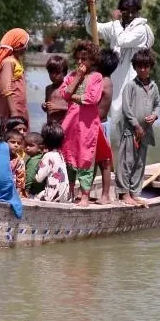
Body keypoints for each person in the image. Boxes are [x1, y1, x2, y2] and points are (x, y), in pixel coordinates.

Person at [86, 0, 154, 135]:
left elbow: (123, 40)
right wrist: (90, 10)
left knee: (131, 125)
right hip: (115, 83)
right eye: (125, 10)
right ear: (120, 10)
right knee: (116, 125)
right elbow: (93, 30)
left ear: (138, 11)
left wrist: (115, 21)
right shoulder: (115, 26)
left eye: (133, 11)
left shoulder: (141, 29)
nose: (129, 14)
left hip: (133, 83)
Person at [116, 48, 160, 207]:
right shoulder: (130, 86)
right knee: (127, 162)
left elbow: (158, 105)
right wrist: (136, 125)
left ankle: (135, 193)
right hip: (131, 131)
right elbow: (126, 109)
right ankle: (124, 193)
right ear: (135, 67)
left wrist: (155, 115)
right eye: (140, 66)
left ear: (150, 67)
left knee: (140, 163)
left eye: (146, 66)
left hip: (146, 132)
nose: (143, 69)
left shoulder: (154, 87)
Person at [60, 40, 103, 207]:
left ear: (92, 60)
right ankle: (70, 191)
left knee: (85, 158)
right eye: (77, 58)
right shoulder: (72, 76)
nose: (80, 62)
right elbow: (64, 93)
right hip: (70, 124)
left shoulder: (96, 77)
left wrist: (73, 96)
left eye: (84, 59)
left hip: (88, 125)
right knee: (68, 155)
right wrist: (77, 77)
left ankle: (85, 195)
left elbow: (92, 98)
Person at [0, 28, 30, 127]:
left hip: (19, 107)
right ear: (19, 44)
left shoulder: (16, 60)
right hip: (12, 110)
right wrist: (14, 113)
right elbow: (6, 89)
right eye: (26, 43)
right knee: (12, 137)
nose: (27, 46)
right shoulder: (8, 62)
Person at [94, 48, 119, 204]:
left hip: (100, 125)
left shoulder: (104, 82)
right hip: (96, 124)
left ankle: (105, 195)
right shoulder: (105, 80)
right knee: (92, 160)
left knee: (104, 161)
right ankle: (87, 191)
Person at [34, 122, 69, 203]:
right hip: (64, 195)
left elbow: (39, 178)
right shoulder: (60, 155)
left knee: (34, 197)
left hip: (53, 195)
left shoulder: (48, 156)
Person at [41, 54, 69, 126]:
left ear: (65, 73)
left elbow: (74, 108)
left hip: (63, 125)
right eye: (51, 72)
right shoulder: (48, 88)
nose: (53, 75)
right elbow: (48, 108)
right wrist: (44, 106)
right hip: (50, 125)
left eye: (57, 73)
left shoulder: (68, 88)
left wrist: (57, 107)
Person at [6, 129, 27, 197]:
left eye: (19, 143)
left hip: (13, 191)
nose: (16, 145)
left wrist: (17, 195)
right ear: (5, 142)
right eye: (13, 142)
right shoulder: (0, 158)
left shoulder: (19, 161)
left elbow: (20, 178)